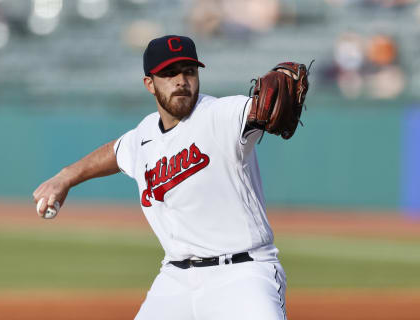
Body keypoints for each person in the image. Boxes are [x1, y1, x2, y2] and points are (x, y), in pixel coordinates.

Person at [33, 35, 289, 320]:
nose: (181, 80)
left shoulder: (219, 114)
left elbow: (252, 112)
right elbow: (115, 152)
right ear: (149, 83)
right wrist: (65, 177)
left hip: (242, 275)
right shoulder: (144, 136)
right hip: (175, 281)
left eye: (189, 71)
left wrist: (268, 99)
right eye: (169, 73)